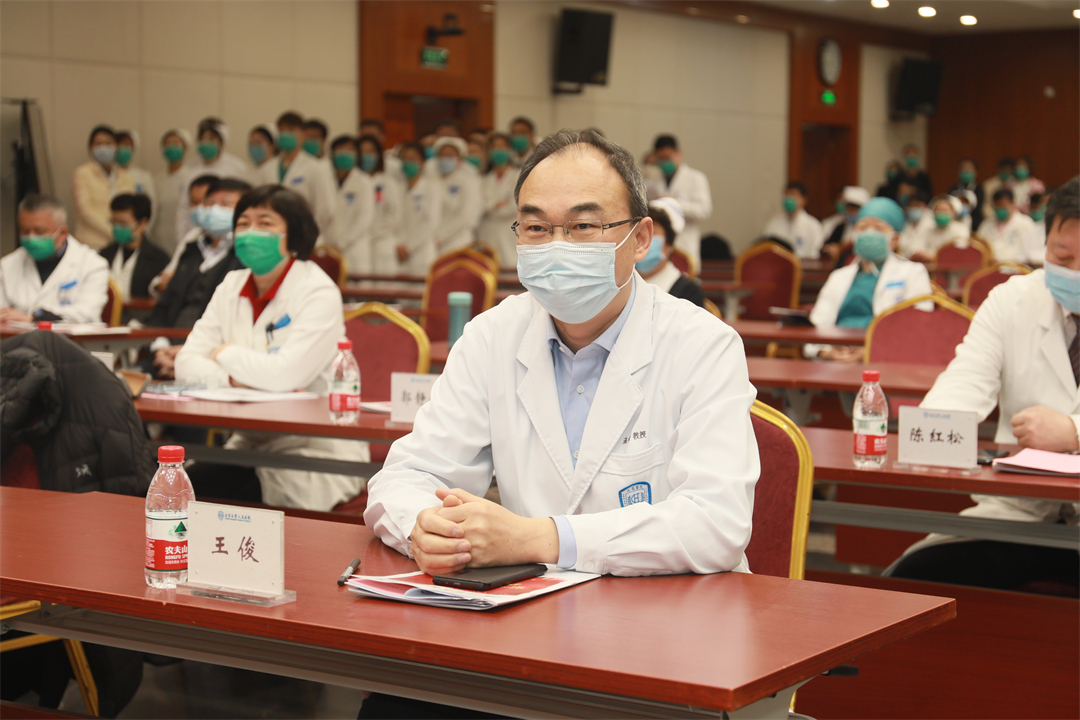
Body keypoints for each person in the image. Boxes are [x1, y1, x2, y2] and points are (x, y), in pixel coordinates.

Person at [364, 126, 757, 576]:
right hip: (530, 605)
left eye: (583, 226)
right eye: (536, 228)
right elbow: (406, 476)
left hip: (672, 605)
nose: (556, 247)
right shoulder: (491, 336)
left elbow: (715, 523)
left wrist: (540, 539)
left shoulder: (703, 344)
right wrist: (425, 527)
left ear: (640, 239)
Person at [887, 176, 1080, 593]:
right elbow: (965, 381)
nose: (1074, 273)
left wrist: (1073, 431)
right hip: (1021, 511)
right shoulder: (1013, 300)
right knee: (915, 577)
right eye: (1062, 256)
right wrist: (934, 427)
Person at [175, 185, 368, 511]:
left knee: (223, 503)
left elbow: (284, 375)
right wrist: (236, 379)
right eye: (244, 223)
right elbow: (185, 363)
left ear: (294, 236)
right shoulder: (232, 284)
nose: (251, 232)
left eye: (265, 223)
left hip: (313, 450)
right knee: (179, 493)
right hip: (249, 443)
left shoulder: (317, 291)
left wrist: (223, 354)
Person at [147, 177, 251, 379]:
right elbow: (163, 307)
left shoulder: (245, 258)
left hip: (211, 359)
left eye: (225, 204)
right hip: (165, 354)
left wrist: (188, 357)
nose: (214, 210)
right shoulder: (191, 251)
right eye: (209, 203)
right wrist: (160, 348)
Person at [808, 197, 932, 361]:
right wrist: (825, 352)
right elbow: (818, 322)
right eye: (863, 228)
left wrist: (871, 352)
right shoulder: (839, 276)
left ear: (895, 239)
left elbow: (919, 326)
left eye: (879, 229)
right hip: (834, 356)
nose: (869, 233)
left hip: (885, 359)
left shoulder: (913, 273)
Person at [1, 194, 109, 324]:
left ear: (62, 233)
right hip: (16, 336)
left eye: (39, 231)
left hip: (69, 336)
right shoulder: (7, 265)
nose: (30, 237)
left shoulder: (92, 265)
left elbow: (87, 313)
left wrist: (34, 318)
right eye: (25, 231)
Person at [258, 111, 336, 233]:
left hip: (305, 233)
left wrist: (310, 233)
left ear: (303, 135)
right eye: (282, 130)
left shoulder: (315, 168)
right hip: (272, 232)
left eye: (291, 130)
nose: (285, 134)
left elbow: (326, 209)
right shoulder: (267, 168)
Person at [175, 118, 248, 244]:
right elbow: (183, 209)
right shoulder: (190, 170)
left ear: (222, 142)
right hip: (194, 235)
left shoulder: (236, 169)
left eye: (211, 139)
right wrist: (182, 240)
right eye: (202, 139)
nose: (205, 143)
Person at [648, 135, 712, 270]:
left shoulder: (695, 178)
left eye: (667, 157)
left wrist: (673, 203)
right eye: (661, 158)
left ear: (678, 153)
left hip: (685, 245)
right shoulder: (652, 180)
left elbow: (704, 211)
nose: (664, 162)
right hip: (659, 245)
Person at [72, 125, 135, 250]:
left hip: (121, 242)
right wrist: (112, 231)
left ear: (116, 147)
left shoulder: (125, 176)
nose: (103, 148)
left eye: (108, 143)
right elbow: (85, 210)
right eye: (98, 144)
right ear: (91, 147)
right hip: (92, 242)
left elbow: (131, 208)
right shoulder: (82, 173)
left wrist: (126, 232)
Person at [637, 198, 705, 307]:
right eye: (639, 235)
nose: (644, 242)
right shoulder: (618, 285)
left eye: (652, 235)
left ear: (669, 246)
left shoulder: (688, 292)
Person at [100, 193, 170, 300]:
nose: (117, 228)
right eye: (114, 222)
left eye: (123, 223)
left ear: (142, 223)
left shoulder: (159, 260)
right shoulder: (104, 254)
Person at [324, 135, 375, 275]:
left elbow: (364, 218)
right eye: (341, 149)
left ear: (357, 156)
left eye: (350, 150)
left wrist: (341, 244)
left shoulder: (364, 181)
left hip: (354, 249)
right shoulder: (324, 178)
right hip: (327, 247)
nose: (345, 153)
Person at [432, 137, 482, 255]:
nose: (445, 158)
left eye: (450, 155)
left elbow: (466, 215)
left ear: (460, 158)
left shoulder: (468, 181)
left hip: (458, 241)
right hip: (432, 243)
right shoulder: (431, 179)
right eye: (442, 155)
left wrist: (441, 236)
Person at [397, 142, 439, 275]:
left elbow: (431, 222)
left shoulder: (431, 188)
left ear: (423, 163)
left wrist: (409, 247)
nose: (408, 162)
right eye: (405, 159)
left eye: (413, 158)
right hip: (398, 253)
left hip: (422, 252)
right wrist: (398, 245)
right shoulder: (397, 188)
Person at [478, 133, 520, 264]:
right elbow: (481, 205)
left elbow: (515, 205)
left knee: (511, 265)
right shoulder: (483, 179)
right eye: (494, 147)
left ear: (510, 150)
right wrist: (496, 204)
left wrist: (492, 205)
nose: (498, 150)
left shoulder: (520, 176)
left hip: (511, 229)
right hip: (488, 231)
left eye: (502, 146)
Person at [977, 189, 1041, 264]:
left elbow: (1031, 253)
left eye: (1002, 206)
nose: (999, 209)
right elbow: (979, 247)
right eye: (997, 206)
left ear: (1013, 205)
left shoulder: (1026, 224)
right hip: (990, 267)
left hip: (1016, 267)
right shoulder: (986, 224)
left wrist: (1002, 260)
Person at [763, 181, 824, 260]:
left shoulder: (813, 225)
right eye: (786, 195)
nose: (789, 199)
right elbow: (765, 247)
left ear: (804, 200)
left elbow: (815, 253)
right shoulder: (773, 223)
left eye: (793, 195)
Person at [154, 129, 191, 253]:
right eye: (167, 144)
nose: (171, 147)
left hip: (182, 236)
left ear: (185, 148)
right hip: (160, 238)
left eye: (176, 143)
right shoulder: (157, 179)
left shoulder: (190, 176)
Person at [115, 131, 157, 235]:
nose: (122, 149)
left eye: (126, 145)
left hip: (139, 230)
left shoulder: (144, 176)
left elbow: (152, 206)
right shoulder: (109, 176)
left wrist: (142, 230)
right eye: (119, 145)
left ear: (133, 148)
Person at [907, 195, 970, 262]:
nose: (941, 213)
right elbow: (914, 248)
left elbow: (958, 252)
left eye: (944, 210)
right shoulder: (927, 229)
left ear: (953, 213)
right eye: (938, 210)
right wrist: (919, 253)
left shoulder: (961, 229)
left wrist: (935, 256)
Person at [821, 186, 871, 260]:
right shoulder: (840, 227)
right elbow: (826, 246)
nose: (850, 211)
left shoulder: (869, 230)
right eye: (848, 207)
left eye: (854, 208)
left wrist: (841, 250)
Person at [948, 157, 985, 230]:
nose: (966, 171)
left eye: (968, 168)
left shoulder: (980, 189)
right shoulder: (953, 189)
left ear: (975, 172)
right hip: (954, 222)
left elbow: (979, 209)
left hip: (975, 224)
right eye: (963, 168)